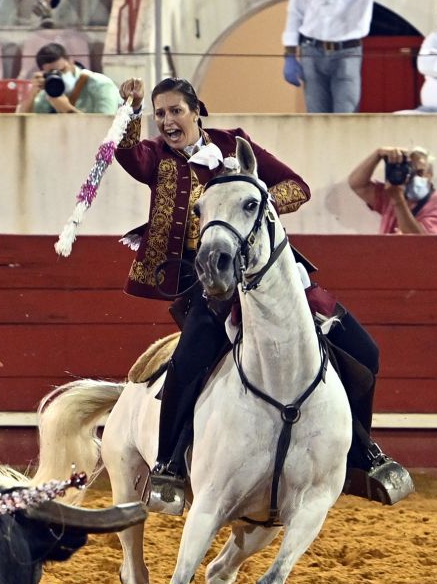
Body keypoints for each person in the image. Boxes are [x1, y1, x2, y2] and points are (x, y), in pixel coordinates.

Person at [114, 76, 412, 505]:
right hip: (211, 283)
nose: (167, 121)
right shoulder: (156, 158)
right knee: (187, 364)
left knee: (365, 351)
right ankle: (170, 465)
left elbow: (297, 187)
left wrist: (251, 199)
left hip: (270, 274)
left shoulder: (235, 145)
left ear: (197, 110)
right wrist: (132, 107)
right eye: (160, 114)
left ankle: (360, 454)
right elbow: (125, 152)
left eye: (175, 110)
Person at [282, 0, 374, 113]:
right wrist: (290, 53)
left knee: (346, 114)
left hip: (347, 51)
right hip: (312, 50)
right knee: (316, 115)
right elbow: (295, 13)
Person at [348, 147, 437, 235]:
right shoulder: (392, 193)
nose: (413, 178)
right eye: (410, 172)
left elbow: (422, 242)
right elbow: (358, 185)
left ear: (430, 175)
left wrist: (398, 201)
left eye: (419, 172)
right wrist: (378, 154)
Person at [15, 42, 121, 113]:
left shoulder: (100, 85)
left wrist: (67, 109)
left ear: (71, 61)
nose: (60, 75)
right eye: (53, 73)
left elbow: (105, 128)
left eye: (62, 70)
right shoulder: (49, 91)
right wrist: (33, 94)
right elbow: (22, 123)